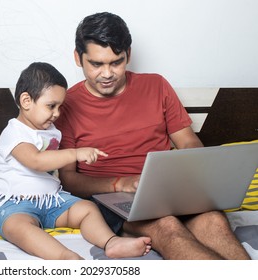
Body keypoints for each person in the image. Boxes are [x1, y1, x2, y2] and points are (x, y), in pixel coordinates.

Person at [54, 12, 250, 260]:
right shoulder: (66, 105)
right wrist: (119, 183)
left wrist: (193, 176)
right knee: (167, 226)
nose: (107, 73)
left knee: (214, 221)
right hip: (110, 199)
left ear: (129, 55)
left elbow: (188, 141)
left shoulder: (156, 86)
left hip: (167, 189)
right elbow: (69, 179)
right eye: (96, 64)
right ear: (77, 58)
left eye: (116, 62)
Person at [0, 62, 151, 260]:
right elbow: (36, 161)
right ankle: (64, 256)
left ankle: (111, 242)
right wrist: (74, 153)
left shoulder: (51, 131)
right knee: (17, 227)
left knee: (88, 209)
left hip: (51, 200)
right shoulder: (14, 132)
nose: (57, 113)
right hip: (14, 202)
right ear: (26, 100)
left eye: (60, 107)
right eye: (51, 106)